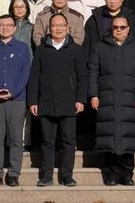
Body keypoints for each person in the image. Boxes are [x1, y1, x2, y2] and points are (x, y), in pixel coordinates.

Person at [88, 15, 135, 186]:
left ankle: (127, 173)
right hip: (106, 98)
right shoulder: (100, 47)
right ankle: (111, 174)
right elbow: (93, 72)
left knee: (127, 136)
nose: (119, 30)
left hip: (129, 99)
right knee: (108, 136)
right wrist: (93, 94)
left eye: (122, 27)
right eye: (115, 27)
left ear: (128, 29)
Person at [28, 13, 87, 187]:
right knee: (47, 141)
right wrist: (33, 101)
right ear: (49, 28)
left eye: (61, 25)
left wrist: (80, 100)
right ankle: (46, 175)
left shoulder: (76, 49)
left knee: (68, 141)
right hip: (46, 102)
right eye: (54, 25)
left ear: (67, 28)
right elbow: (34, 77)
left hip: (69, 103)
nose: (58, 28)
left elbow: (82, 77)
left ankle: (67, 175)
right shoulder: (41, 50)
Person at [0, 15, 32, 187]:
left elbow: (25, 73)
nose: (5, 28)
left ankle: (13, 174)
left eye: (9, 25)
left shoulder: (23, 48)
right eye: (2, 25)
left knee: (16, 138)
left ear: (15, 28)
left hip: (17, 100)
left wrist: (13, 92)